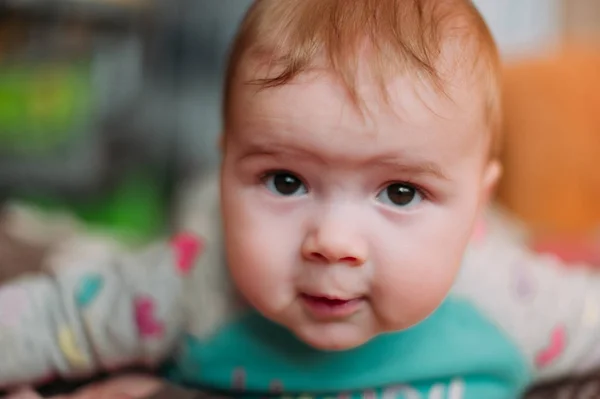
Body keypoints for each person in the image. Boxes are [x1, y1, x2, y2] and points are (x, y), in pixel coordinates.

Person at [2, 1, 600, 398]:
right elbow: (52, 316)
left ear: (474, 205)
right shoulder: (188, 289)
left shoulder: (511, 300)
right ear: (229, 162)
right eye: (284, 180)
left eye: (400, 192)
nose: (333, 243)